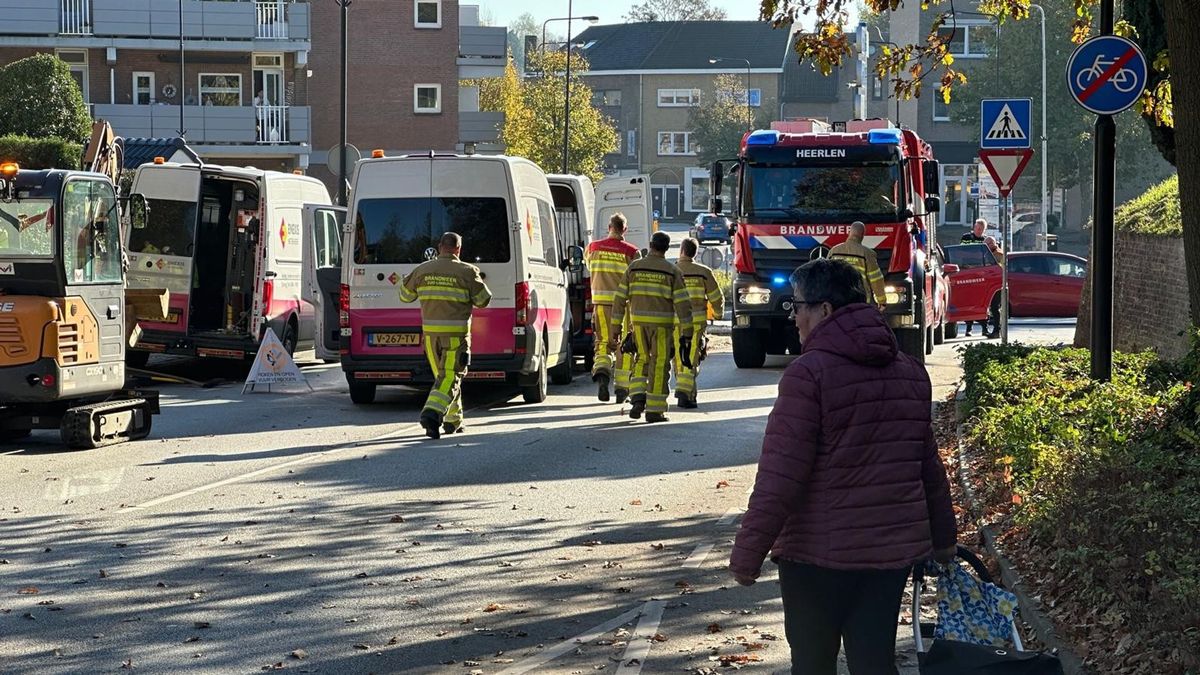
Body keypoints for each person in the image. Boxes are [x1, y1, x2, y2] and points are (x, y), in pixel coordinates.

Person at [729, 257, 957, 675]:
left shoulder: (808, 375)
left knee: (813, 665)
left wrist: (748, 554)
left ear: (825, 310)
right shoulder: (909, 372)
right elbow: (927, 465)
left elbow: (781, 476)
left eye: (797, 306)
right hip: (888, 557)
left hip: (816, 557)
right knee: (875, 663)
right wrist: (944, 540)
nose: (793, 316)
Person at [398, 232, 492, 440]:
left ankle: (453, 420)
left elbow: (404, 296)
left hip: (431, 336)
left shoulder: (422, 269)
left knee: (445, 378)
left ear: (440, 247)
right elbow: (484, 300)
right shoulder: (468, 271)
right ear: (458, 249)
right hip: (455, 336)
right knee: (450, 375)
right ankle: (432, 414)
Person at [611, 231, 694, 423]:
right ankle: (654, 411)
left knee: (641, 359)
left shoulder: (634, 268)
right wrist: (687, 333)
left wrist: (616, 327)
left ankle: (638, 396)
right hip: (663, 327)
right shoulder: (672, 271)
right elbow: (683, 305)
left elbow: (619, 299)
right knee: (659, 364)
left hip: (638, 324)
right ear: (666, 248)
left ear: (650, 245)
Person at [584, 213, 640, 402]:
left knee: (602, 343)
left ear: (609, 227)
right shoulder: (632, 252)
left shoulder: (592, 248)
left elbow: (588, 267)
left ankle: (602, 374)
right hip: (623, 307)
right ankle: (622, 388)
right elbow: (635, 281)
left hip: (600, 304)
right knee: (623, 346)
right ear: (624, 229)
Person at [673, 237, 724, 409]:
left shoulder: (672, 270)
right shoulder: (703, 272)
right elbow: (716, 297)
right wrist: (718, 314)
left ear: (681, 251)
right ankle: (685, 392)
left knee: (678, 358)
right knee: (691, 356)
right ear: (695, 253)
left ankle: (686, 394)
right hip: (696, 322)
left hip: (674, 321)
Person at [828, 221, 886, 308]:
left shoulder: (833, 251)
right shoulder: (867, 253)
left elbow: (826, 276)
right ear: (863, 235)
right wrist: (882, 301)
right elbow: (876, 280)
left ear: (849, 233)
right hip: (860, 301)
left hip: (837, 300)